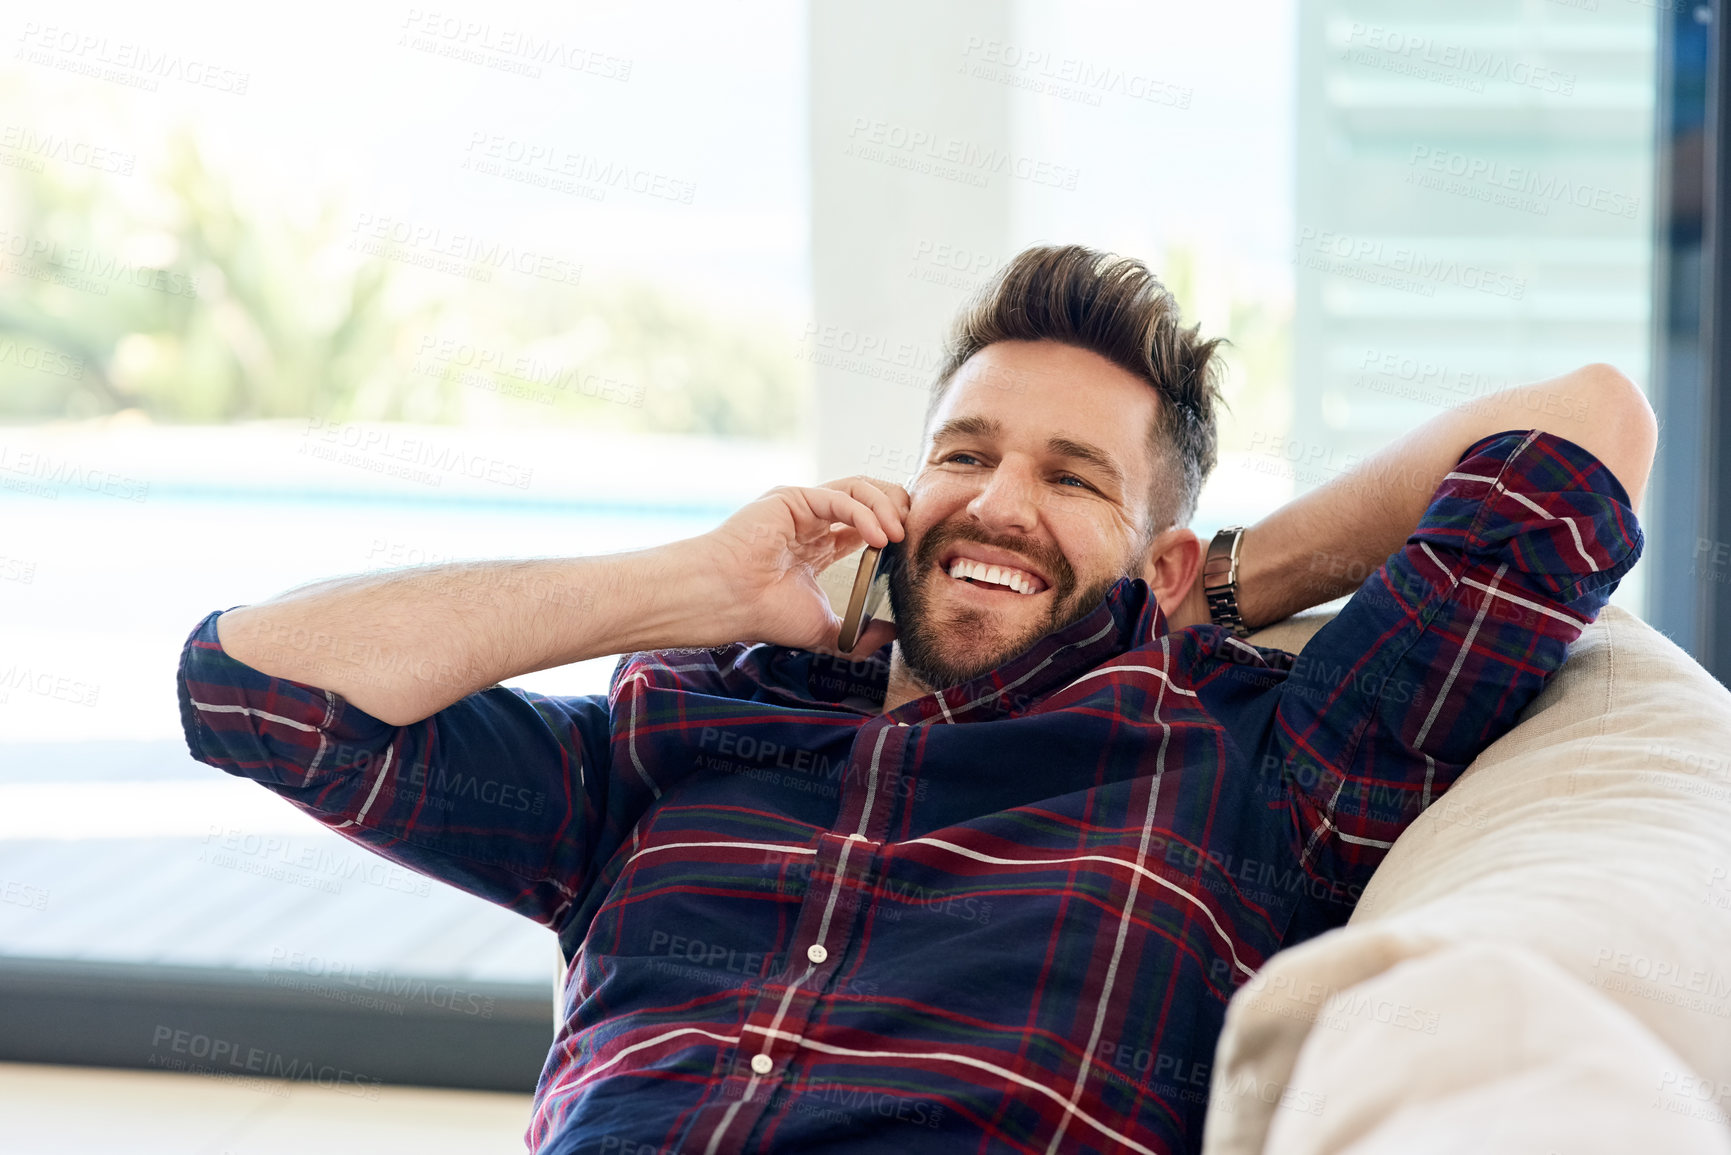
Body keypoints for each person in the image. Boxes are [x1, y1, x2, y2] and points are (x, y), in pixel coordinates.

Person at [176, 244, 1654, 1155]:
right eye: (966, 454)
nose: (998, 503)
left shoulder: (1251, 759)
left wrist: (1212, 593)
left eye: (1074, 479)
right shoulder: (676, 732)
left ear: (1165, 551)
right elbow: (249, 688)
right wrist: (679, 587)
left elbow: (1584, 427)